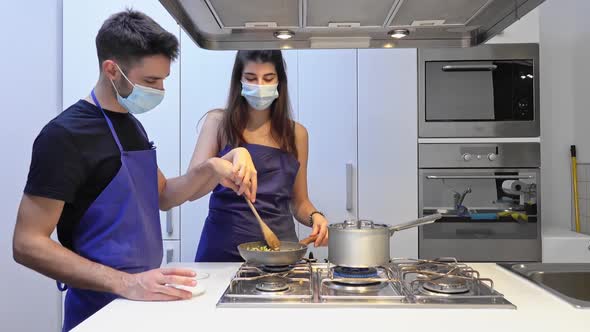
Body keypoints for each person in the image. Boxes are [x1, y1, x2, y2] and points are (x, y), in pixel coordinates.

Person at [12, 10, 255, 331]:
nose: (160, 90)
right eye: (151, 81)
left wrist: (213, 167)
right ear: (112, 70)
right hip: (98, 308)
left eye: (163, 80)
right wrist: (126, 283)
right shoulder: (64, 136)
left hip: (142, 298)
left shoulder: (131, 127)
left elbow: (164, 195)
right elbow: (27, 243)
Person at [188, 50, 329, 262]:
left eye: (268, 78)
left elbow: (299, 202)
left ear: (279, 81)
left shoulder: (297, 134)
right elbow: (191, 188)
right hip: (221, 252)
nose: (260, 86)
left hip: (280, 255)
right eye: (251, 78)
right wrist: (222, 163)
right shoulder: (218, 123)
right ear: (239, 81)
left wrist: (315, 217)